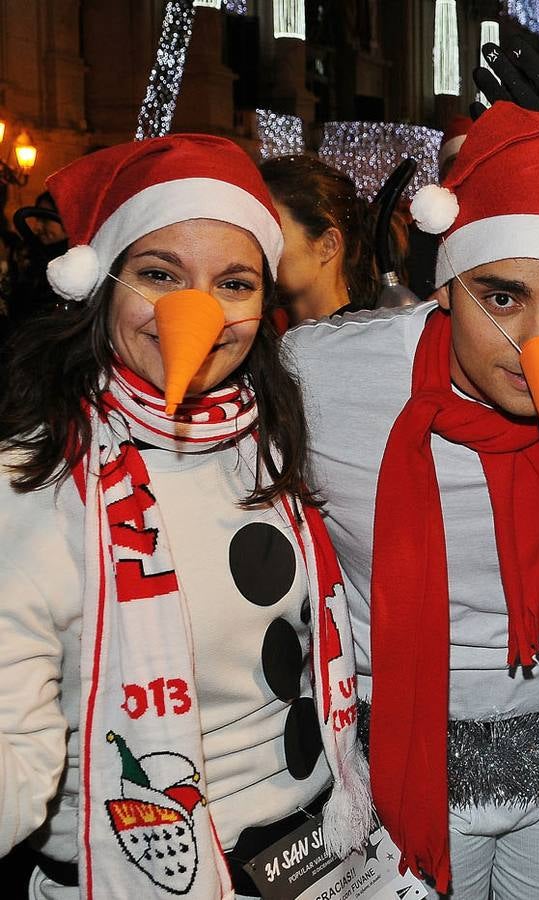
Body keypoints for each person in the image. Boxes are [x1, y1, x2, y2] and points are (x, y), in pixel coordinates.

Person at [283, 100, 539, 900]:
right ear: (445, 285)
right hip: (396, 743)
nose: (537, 342)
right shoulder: (321, 375)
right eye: (503, 297)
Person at [0, 134, 369, 899]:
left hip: (321, 855)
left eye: (233, 283)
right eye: (160, 273)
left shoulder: (265, 437)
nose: (197, 310)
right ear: (100, 282)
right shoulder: (28, 482)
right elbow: (14, 744)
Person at [259, 154, 380, 324]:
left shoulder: (367, 340)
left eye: (272, 233)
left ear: (328, 245)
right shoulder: (258, 339)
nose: (256, 246)